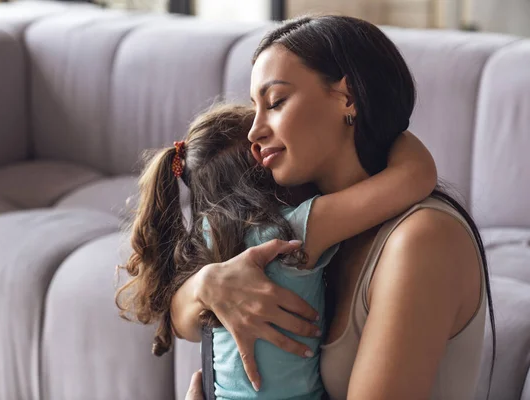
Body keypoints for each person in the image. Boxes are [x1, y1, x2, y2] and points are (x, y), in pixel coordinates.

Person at [173, 15, 494, 400]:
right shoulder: (306, 222)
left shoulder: (422, 240)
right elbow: (182, 320)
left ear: (348, 98)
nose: (254, 132)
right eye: (254, 108)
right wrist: (210, 284)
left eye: (275, 102)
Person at [115, 103, 436, 399]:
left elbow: (182, 324)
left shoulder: (206, 238)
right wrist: (387, 125)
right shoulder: (291, 233)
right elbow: (414, 176)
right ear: (265, 160)